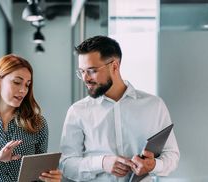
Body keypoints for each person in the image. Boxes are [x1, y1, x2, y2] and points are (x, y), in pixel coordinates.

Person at [59, 36, 180, 181]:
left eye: (91, 71)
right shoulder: (77, 111)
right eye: (82, 72)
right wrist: (102, 163)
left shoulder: (154, 105)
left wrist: (154, 165)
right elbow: (66, 165)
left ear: (114, 66)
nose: (85, 78)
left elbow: (172, 155)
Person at [0, 54, 62, 182]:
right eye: (17, 82)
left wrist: (49, 178)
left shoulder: (37, 124)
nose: (23, 90)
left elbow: (38, 176)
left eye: (27, 85)